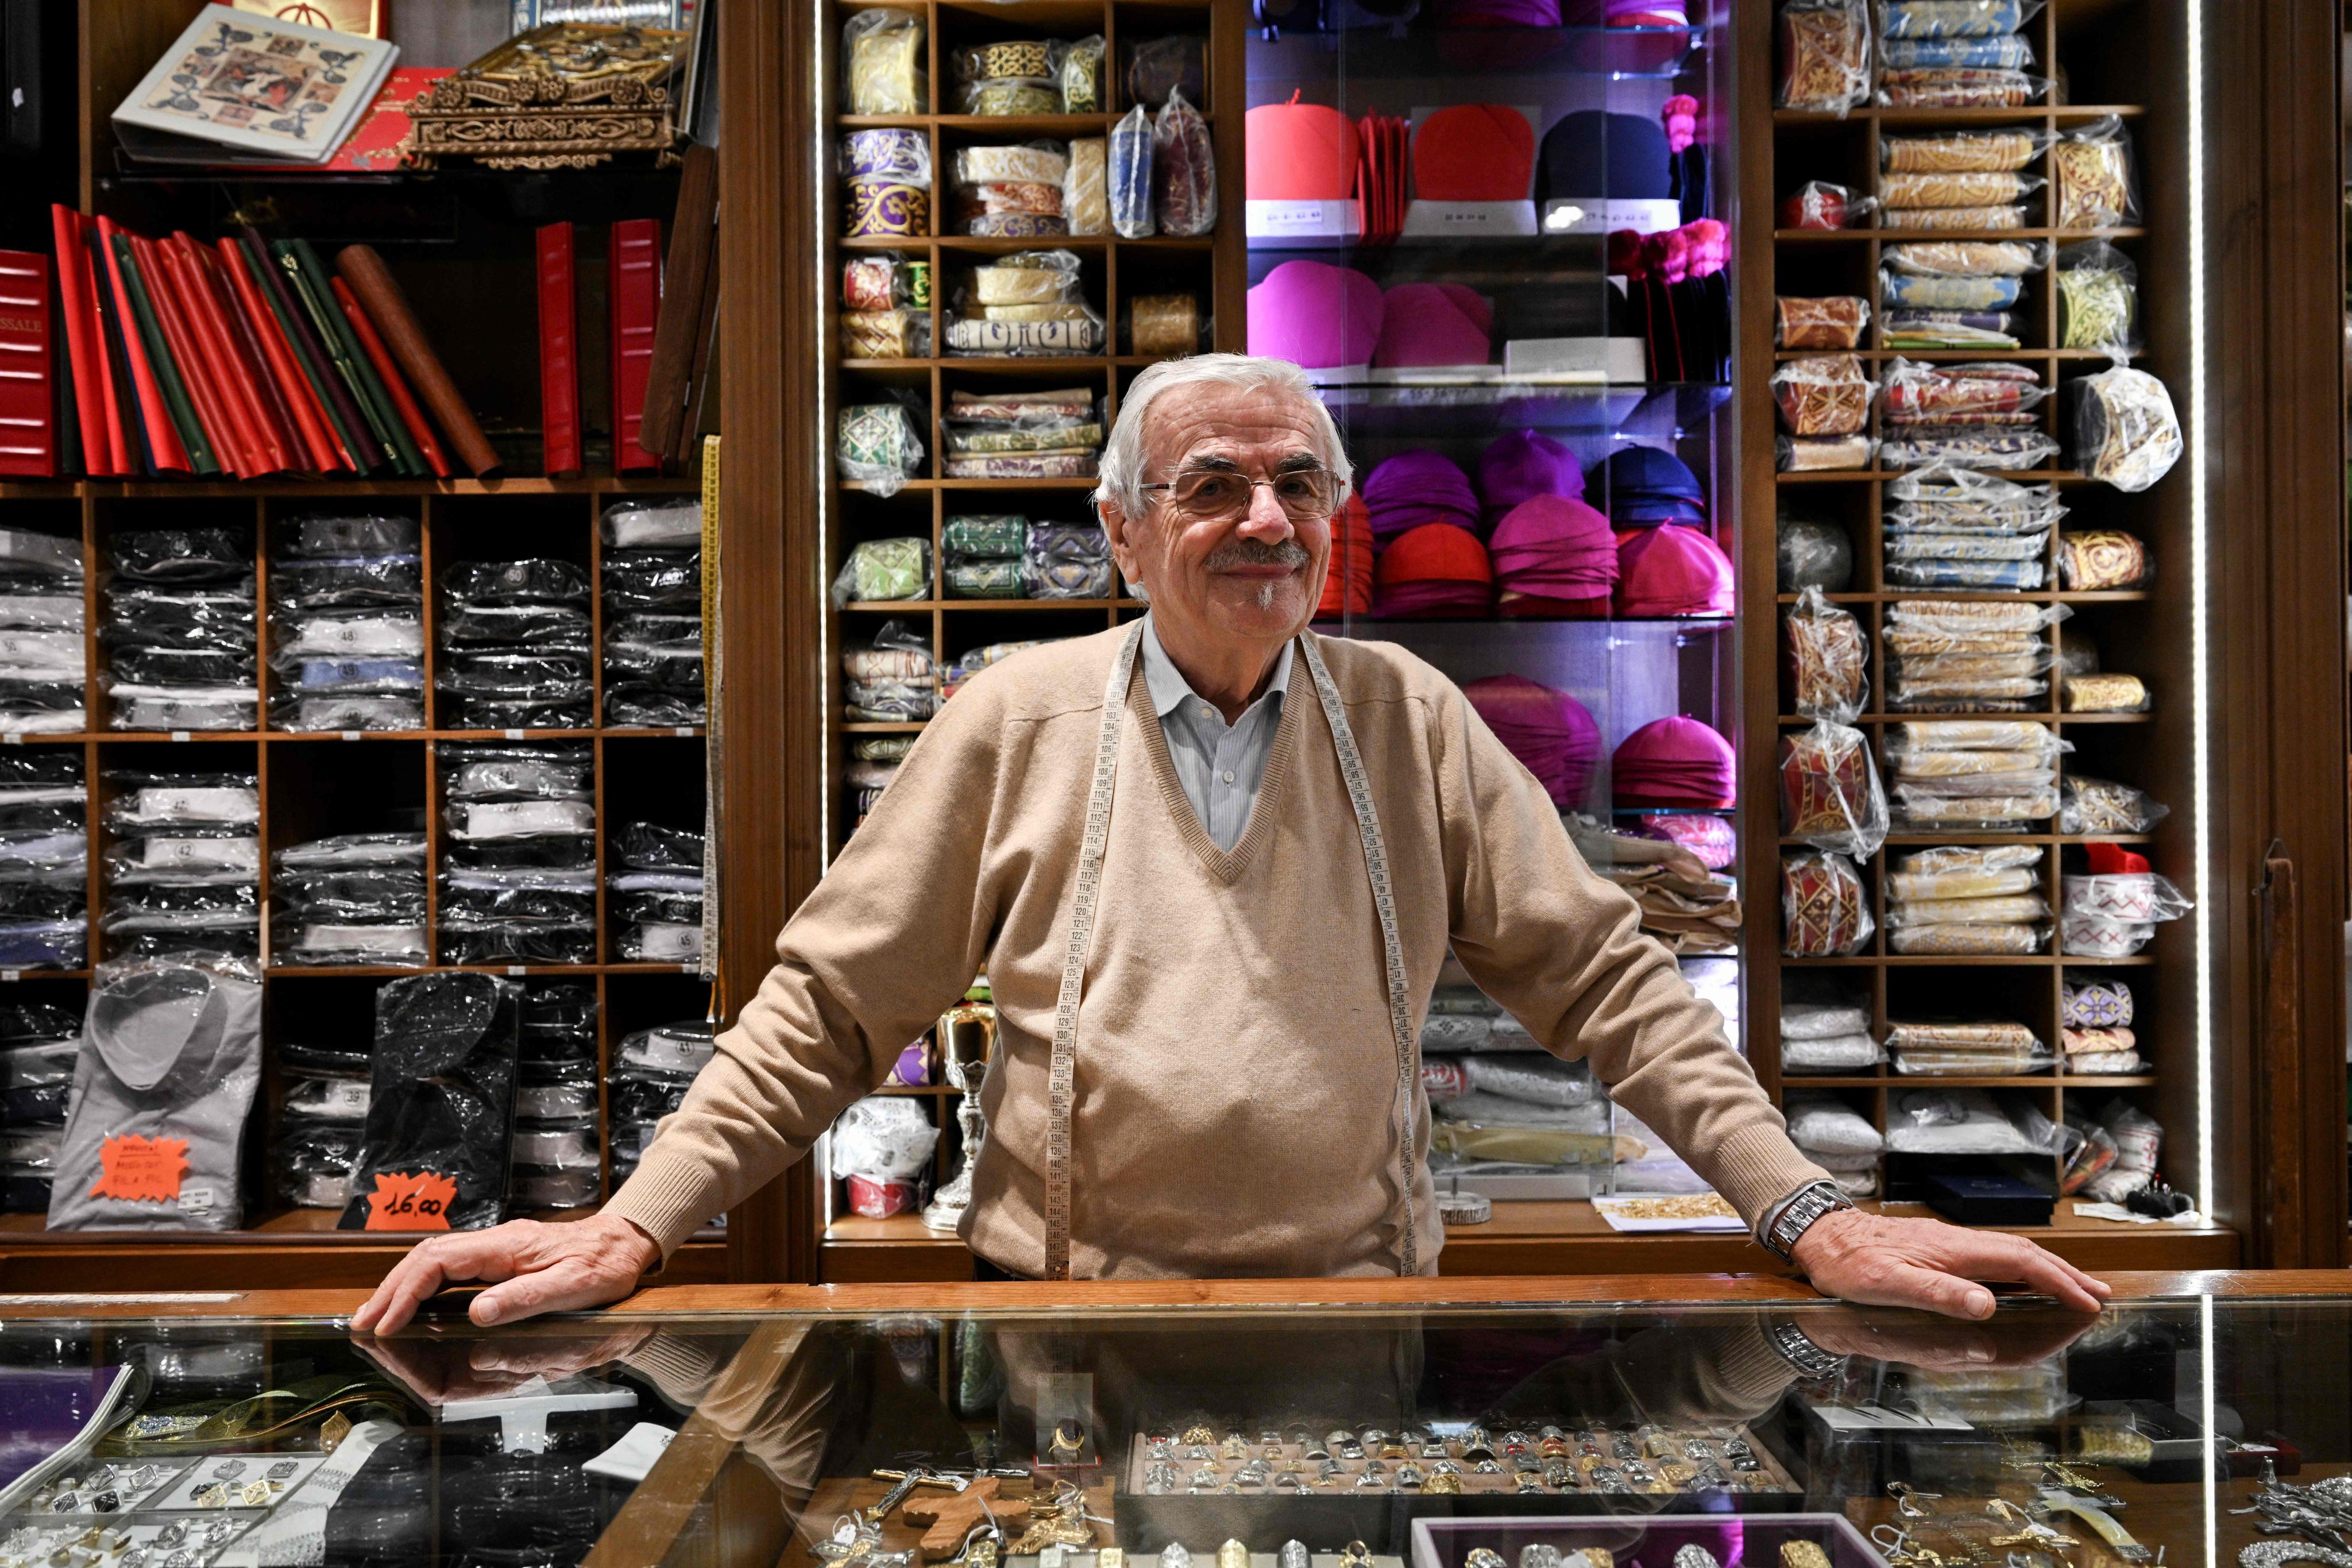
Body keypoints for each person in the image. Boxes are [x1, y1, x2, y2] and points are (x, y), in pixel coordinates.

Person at [356, 355, 2110, 1334]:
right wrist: (634, 1228)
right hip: (1060, 1325)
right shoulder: (1016, 715)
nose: (1264, 517)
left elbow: (1609, 985)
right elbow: (825, 1006)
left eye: (1300, 484)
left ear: (1339, 522)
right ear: (1124, 530)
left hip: (1360, 1322)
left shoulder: (1410, 715)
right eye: (1211, 486)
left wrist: (1807, 1211)